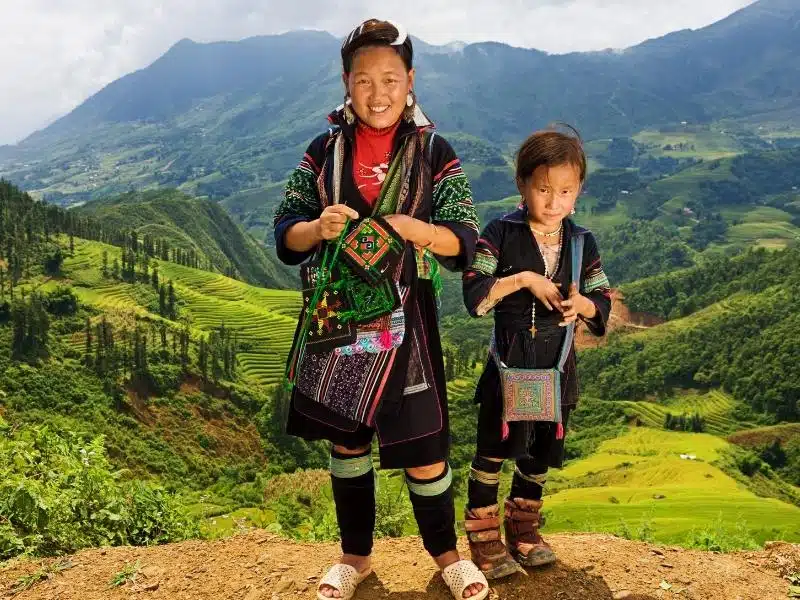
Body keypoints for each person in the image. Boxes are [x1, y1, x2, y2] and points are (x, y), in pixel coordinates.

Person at [273, 18, 489, 600]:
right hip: (340, 322)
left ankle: (447, 557)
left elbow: (464, 237)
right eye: (364, 80)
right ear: (347, 82)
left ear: (410, 80)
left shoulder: (432, 152)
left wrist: (422, 229)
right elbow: (285, 231)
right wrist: (316, 227)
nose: (378, 93)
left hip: (409, 320)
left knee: (423, 448)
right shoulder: (324, 151)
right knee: (348, 443)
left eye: (390, 79)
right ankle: (355, 558)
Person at [461, 126, 612, 578]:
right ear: (522, 186)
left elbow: (602, 298)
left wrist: (582, 304)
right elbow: (475, 294)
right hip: (509, 362)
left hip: (556, 365)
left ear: (578, 190)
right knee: (492, 449)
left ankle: (524, 530)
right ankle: (483, 535)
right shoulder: (500, 233)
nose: (553, 201)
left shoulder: (582, 243)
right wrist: (525, 279)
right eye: (543, 189)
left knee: (538, 453)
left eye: (565, 191)